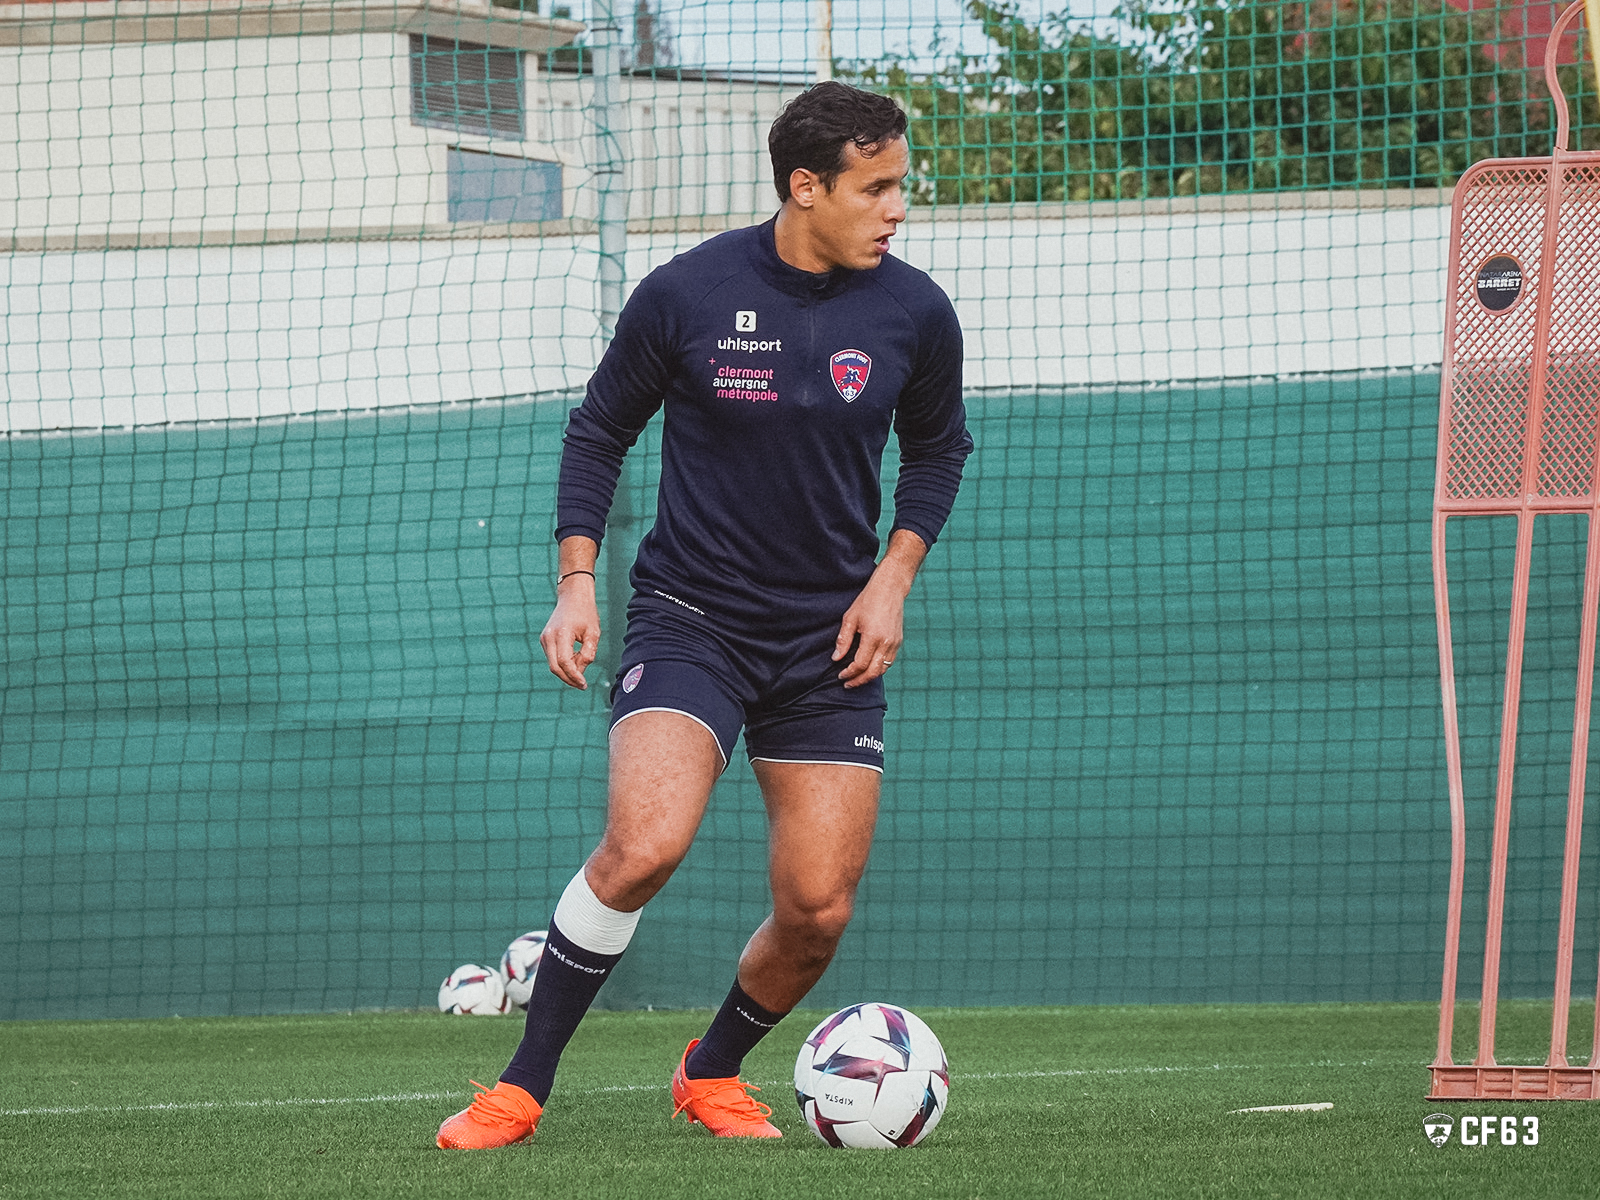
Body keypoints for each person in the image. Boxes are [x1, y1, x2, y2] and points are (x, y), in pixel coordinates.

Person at [436, 79, 972, 1150]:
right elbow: (598, 432)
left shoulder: (914, 312)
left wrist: (892, 577)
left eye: (900, 185)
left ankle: (710, 1070)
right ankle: (522, 1086)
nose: (897, 208)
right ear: (805, 186)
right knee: (643, 846)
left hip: (828, 643)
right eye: (876, 188)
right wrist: (577, 579)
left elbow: (940, 448)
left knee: (817, 909)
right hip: (692, 619)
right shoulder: (686, 293)